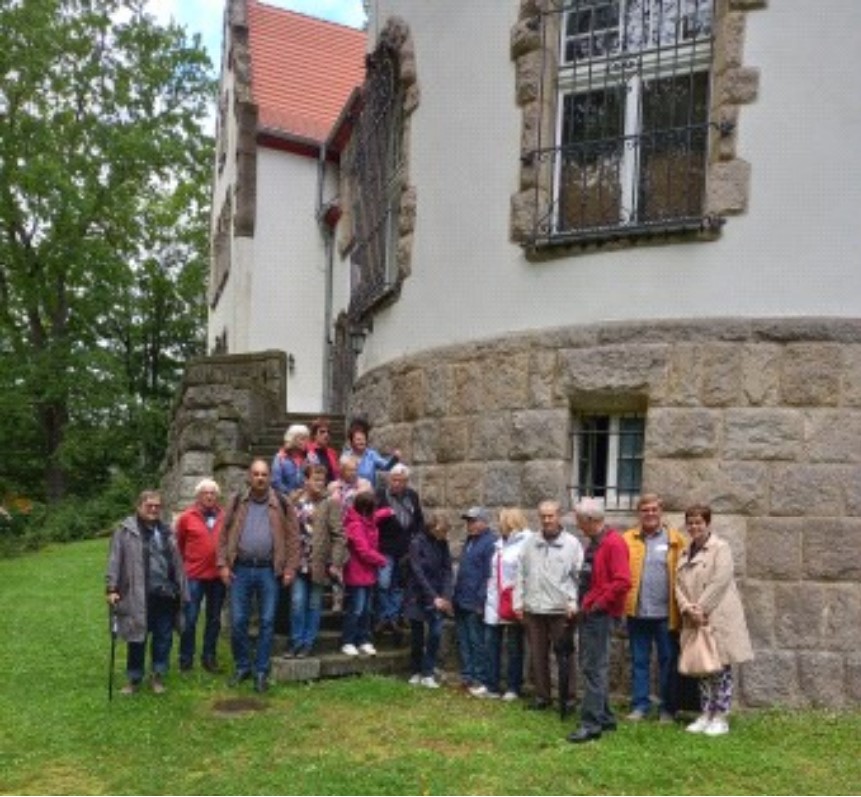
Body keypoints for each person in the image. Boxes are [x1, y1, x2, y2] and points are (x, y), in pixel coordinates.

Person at [217, 458, 300, 693]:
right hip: (240, 569)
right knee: (238, 621)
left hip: (268, 571)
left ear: (270, 477)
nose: (260, 478)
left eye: (264, 474)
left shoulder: (282, 503)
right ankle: (243, 665)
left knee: (267, 622)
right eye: (256, 474)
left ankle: (261, 670)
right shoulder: (236, 502)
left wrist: (290, 568)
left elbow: (293, 538)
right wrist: (222, 564)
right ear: (249, 476)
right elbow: (223, 535)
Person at [676, 503, 753, 736]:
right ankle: (705, 713)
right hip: (694, 619)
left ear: (708, 523)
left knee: (721, 667)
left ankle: (721, 716)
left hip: (717, 617)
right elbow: (677, 584)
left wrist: (701, 608)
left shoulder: (721, 548)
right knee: (703, 668)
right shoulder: (685, 551)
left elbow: (721, 580)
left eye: (698, 522)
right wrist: (687, 608)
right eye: (690, 522)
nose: (694, 526)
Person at [106, 490, 187, 695]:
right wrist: (112, 588)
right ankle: (134, 679)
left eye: (157, 506)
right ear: (139, 506)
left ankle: (157, 676)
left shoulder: (167, 531)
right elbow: (114, 562)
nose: (153, 509)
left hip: (166, 595)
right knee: (137, 638)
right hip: (138, 595)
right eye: (149, 505)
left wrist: (181, 588)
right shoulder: (125, 532)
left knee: (163, 638)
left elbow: (177, 563)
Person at [567, 497, 631, 744]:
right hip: (591, 612)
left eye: (580, 521)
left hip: (600, 615)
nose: (578, 525)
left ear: (591, 520)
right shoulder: (595, 542)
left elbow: (623, 581)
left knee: (594, 668)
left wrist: (597, 604)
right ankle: (604, 717)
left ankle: (590, 723)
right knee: (593, 665)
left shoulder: (613, 543)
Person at [622, 493, 688, 722]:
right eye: (645, 509)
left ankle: (667, 708)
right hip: (637, 611)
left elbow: (686, 575)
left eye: (654, 509)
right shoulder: (627, 538)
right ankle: (640, 705)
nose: (650, 513)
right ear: (639, 513)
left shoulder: (676, 539)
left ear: (661, 512)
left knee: (668, 662)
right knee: (639, 661)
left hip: (666, 614)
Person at [514, 501, 581, 710]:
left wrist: (573, 602)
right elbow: (520, 574)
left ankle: (568, 698)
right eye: (543, 516)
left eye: (550, 516)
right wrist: (518, 602)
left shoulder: (572, 544)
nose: (546, 520)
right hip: (534, 609)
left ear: (558, 516)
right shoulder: (529, 543)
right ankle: (542, 696)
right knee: (538, 655)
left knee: (566, 656)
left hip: (561, 610)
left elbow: (578, 577)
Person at [286, 464, 347, 658]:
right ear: (306, 480)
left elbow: (339, 535)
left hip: (318, 562)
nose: (319, 483)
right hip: (298, 559)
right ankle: (296, 642)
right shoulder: (294, 501)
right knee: (297, 602)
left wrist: (336, 563)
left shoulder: (330, 503)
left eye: (323, 480)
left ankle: (307, 643)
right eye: (315, 479)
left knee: (313, 604)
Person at [176, 478, 226, 673]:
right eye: (206, 493)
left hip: (217, 576)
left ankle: (209, 657)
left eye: (213, 493)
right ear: (198, 496)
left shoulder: (224, 515)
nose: (209, 496)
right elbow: (179, 545)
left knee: (214, 619)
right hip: (194, 575)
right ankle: (185, 659)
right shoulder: (187, 517)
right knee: (190, 618)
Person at [485, 507, 533, 701]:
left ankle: (514, 686)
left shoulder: (526, 542)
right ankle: (492, 684)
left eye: (501, 521)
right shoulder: (500, 544)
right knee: (492, 643)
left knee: (514, 646)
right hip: (495, 600)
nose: (498, 525)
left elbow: (526, 574)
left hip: (513, 601)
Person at [375, 463, 425, 640]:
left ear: (406, 482)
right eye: (394, 480)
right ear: (389, 479)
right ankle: (387, 615)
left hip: (405, 548)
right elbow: (372, 520)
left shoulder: (412, 496)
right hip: (385, 546)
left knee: (397, 585)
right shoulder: (381, 495)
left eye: (401, 481)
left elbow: (419, 520)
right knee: (383, 582)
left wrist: (417, 539)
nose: (396, 483)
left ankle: (391, 618)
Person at [404, 512, 453, 688]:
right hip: (418, 594)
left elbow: (447, 569)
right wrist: (433, 596)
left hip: (438, 594)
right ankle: (416, 670)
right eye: (441, 531)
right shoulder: (417, 542)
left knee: (436, 633)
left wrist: (446, 595)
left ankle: (428, 671)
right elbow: (417, 572)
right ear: (433, 528)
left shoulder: (442, 544)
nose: (443, 535)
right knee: (417, 635)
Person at [452, 506, 497, 697]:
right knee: (464, 640)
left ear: (483, 522)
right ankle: (467, 676)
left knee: (476, 641)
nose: (469, 525)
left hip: (475, 601)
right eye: (468, 521)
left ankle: (479, 678)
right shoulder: (470, 540)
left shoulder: (490, 542)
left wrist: (481, 601)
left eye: (473, 521)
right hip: (461, 598)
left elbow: (488, 574)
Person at [341, 490, 389, 657]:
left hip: (368, 574)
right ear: (365, 509)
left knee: (367, 609)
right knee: (356, 609)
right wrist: (381, 560)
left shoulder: (367, 520)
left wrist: (389, 511)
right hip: (356, 574)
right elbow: (364, 551)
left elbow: (377, 516)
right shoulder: (355, 526)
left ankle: (363, 640)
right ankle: (348, 641)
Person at [342, 417, 400, 488]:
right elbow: (340, 476)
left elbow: (386, 467)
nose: (362, 442)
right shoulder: (346, 456)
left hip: (368, 495)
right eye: (358, 439)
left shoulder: (372, 455)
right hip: (350, 494)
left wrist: (394, 459)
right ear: (352, 442)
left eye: (364, 439)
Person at [271, 424, 310, 498]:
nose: (306, 442)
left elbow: (314, 477)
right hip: (284, 498)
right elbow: (276, 482)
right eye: (302, 439)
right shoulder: (280, 458)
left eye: (306, 439)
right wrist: (289, 493)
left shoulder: (309, 458)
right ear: (292, 439)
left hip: (305, 497)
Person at [306, 417, 340, 484]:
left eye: (328, 432)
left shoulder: (332, 453)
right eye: (322, 432)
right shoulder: (306, 450)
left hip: (331, 490)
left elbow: (336, 474)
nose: (326, 435)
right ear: (314, 435)